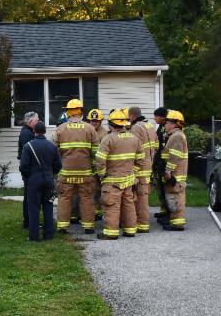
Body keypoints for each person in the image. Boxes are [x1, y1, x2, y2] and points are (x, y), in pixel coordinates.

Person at [93, 109, 144, 240]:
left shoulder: (108, 139)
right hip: (128, 179)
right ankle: (130, 230)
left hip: (112, 180)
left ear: (110, 124)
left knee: (111, 205)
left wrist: (102, 175)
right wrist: (133, 172)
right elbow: (140, 159)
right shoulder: (134, 138)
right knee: (128, 205)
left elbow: (100, 160)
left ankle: (111, 232)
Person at [54, 98, 99, 234]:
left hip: (66, 172)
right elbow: (96, 152)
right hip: (85, 172)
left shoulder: (60, 129)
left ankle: (62, 226)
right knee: (86, 198)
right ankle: (88, 226)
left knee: (64, 198)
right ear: (81, 112)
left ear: (68, 112)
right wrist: (93, 167)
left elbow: (53, 150)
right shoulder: (90, 128)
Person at [21, 120, 61, 241]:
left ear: (34, 131)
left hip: (34, 180)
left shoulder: (28, 146)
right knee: (48, 206)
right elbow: (58, 165)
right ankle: (49, 234)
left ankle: (34, 236)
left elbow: (24, 166)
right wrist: (50, 173)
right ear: (44, 131)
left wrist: (28, 177)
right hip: (48, 180)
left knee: (33, 208)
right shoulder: (52, 146)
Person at [128, 106, 159, 233]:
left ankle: (141, 224)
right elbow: (156, 145)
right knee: (144, 196)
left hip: (139, 168)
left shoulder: (135, 128)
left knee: (140, 197)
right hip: (149, 165)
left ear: (131, 115)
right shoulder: (150, 126)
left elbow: (134, 148)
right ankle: (143, 223)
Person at [160, 110, 189, 231]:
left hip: (175, 175)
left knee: (176, 198)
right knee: (173, 197)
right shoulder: (175, 135)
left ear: (175, 124)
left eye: (167, 122)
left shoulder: (177, 136)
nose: (165, 125)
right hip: (175, 174)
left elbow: (174, 156)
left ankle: (177, 224)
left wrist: (168, 171)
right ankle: (175, 222)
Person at [18, 111, 40, 229]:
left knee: (30, 195)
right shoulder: (27, 134)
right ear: (30, 121)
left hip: (30, 170)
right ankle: (28, 221)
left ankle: (29, 220)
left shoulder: (28, 131)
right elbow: (29, 154)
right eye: (37, 120)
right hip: (29, 170)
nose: (38, 121)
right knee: (30, 196)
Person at [152, 106, 171, 224]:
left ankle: (169, 214)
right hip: (159, 161)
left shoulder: (166, 129)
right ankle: (164, 210)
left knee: (166, 189)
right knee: (160, 188)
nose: (155, 119)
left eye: (156, 116)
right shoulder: (160, 128)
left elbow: (163, 147)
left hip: (164, 163)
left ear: (162, 117)